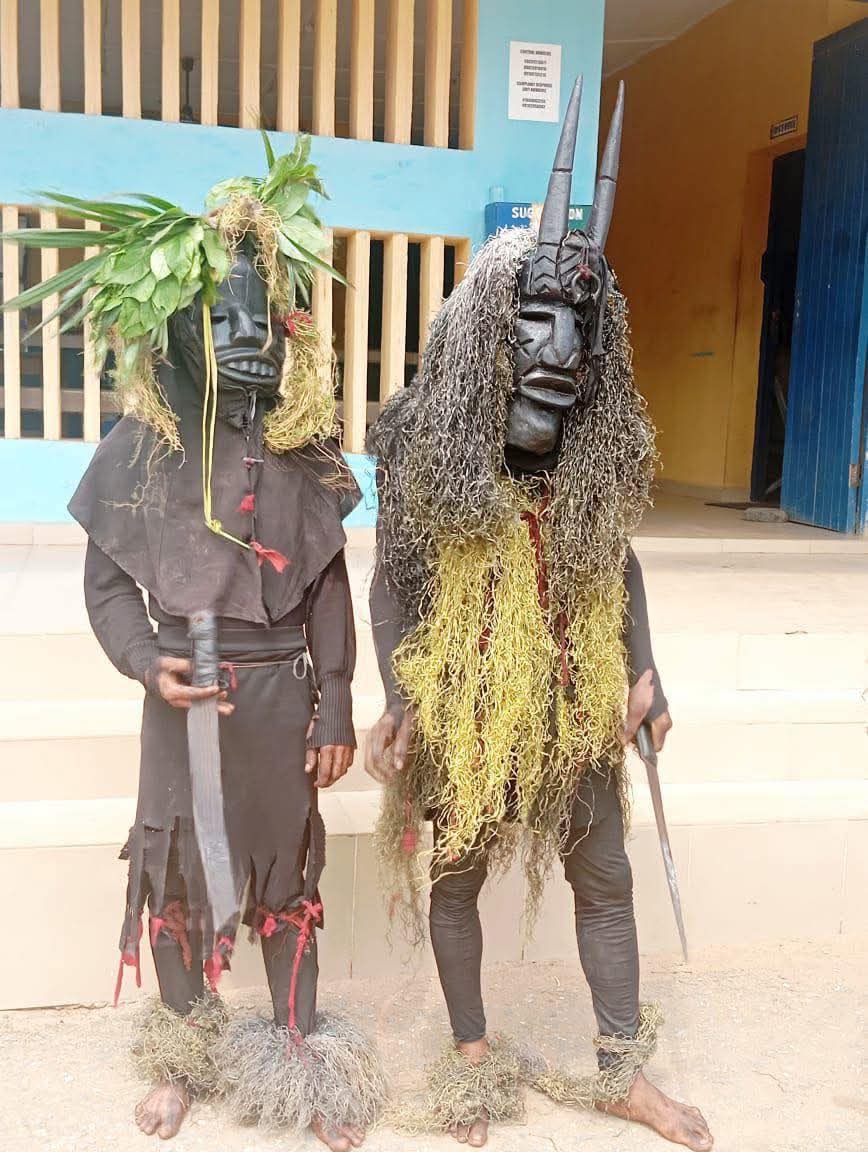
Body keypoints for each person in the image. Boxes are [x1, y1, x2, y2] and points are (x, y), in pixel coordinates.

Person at [2, 134, 385, 1152]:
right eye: (220, 318)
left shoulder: (306, 453)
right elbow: (106, 589)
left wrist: (337, 698)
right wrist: (144, 660)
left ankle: (300, 1059)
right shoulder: (141, 445)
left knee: (286, 878)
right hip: (182, 693)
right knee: (174, 877)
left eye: (261, 317)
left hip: (280, 697)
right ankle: (184, 1056)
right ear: (171, 330)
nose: (246, 336)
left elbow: (330, 587)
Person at [363, 79, 712, 1152]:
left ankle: (621, 1070)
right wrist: (403, 696)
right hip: (469, 708)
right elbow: (391, 585)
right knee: (456, 874)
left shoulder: (594, 464)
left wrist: (644, 673)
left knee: (603, 879)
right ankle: (471, 1061)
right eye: (536, 324)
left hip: (567, 711)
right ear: (483, 346)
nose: (561, 351)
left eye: (580, 331)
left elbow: (624, 569)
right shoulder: (428, 458)